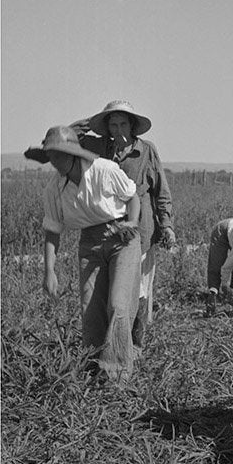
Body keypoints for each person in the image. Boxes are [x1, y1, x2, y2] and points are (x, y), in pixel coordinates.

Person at [26, 125, 141, 383]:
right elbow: (52, 232)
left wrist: (132, 224)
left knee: (118, 304)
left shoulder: (104, 171)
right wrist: (49, 271)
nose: (55, 162)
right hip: (89, 243)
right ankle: (93, 368)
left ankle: (118, 376)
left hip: (122, 237)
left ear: (74, 153)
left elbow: (133, 199)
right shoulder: (54, 189)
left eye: (60, 155)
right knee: (90, 309)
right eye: (51, 156)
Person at [74, 100, 176, 346]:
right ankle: (107, 346)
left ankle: (135, 345)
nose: (118, 130)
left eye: (123, 124)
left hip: (139, 230)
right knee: (108, 291)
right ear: (107, 128)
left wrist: (167, 226)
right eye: (113, 124)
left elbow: (161, 192)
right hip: (104, 232)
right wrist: (89, 123)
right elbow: (62, 140)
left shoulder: (146, 151)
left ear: (132, 127)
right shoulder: (98, 147)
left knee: (137, 290)